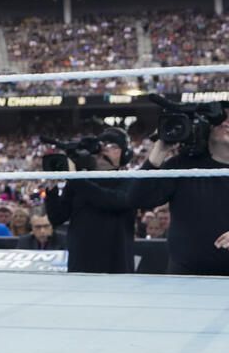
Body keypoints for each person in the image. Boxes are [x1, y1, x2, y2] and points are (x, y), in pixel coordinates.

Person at [80, 113, 229, 275]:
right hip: (186, 276)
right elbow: (137, 198)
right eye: (222, 117)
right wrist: (159, 151)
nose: (226, 122)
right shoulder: (181, 165)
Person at [45, 128, 137, 273]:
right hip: (81, 262)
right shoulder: (80, 180)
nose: (104, 150)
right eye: (102, 145)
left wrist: (74, 177)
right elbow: (57, 217)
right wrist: (51, 188)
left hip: (116, 262)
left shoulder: (130, 180)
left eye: (113, 146)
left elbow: (111, 201)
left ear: (126, 155)